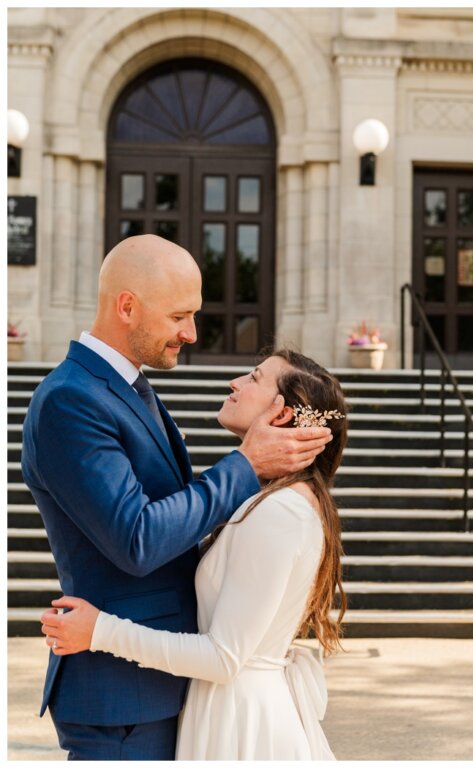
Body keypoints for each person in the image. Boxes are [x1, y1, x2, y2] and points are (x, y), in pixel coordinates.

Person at [21, 235, 333, 760]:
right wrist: (246, 467)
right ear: (127, 307)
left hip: (165, 688)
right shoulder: (71, 400)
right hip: (120, 700)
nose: (190, 333)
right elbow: (137, 537)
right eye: (179, 316)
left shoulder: (129, 387)